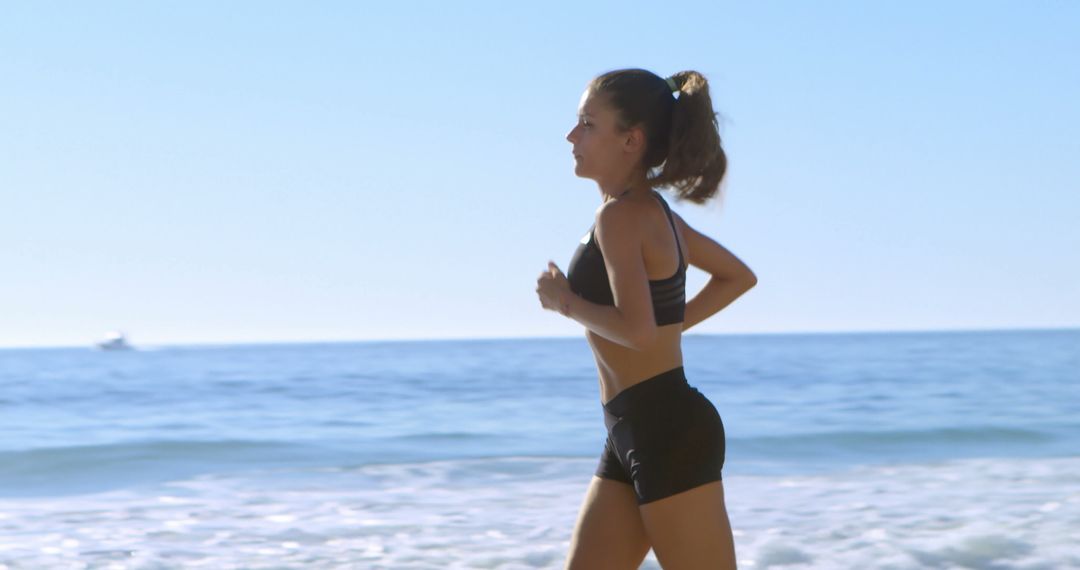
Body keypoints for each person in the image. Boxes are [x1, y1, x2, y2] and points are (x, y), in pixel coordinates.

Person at [535, 68, 757, 569]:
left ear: (631, 140)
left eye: (588, 124)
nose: (572, 136)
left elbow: (637, 331)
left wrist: (563, 301)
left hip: (664, 429)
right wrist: (669, 328)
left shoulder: (618, 219)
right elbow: (737, 277)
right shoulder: (655, 216)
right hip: (630, 429)